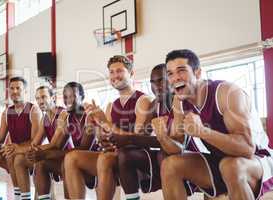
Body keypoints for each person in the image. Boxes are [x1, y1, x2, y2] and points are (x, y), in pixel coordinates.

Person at [156, 49, 273, 200]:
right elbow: (177, 148)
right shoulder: (179, 101)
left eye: (181, 71)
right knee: (170, 165)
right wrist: (162, 137)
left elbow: (247, 148)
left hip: (258, 160)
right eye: (170, 73)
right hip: (219, 159)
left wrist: (203, 132)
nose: (174, 78)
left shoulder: (227, 92)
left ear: (198, 73)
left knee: (230, 166)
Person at [64, 55, 153, 200]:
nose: (114, 75)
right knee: (71, 157)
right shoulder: (111, 105)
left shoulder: (143, 100)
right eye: (111, 72)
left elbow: (137, 139)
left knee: (105, 159)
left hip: (134, 158)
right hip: (113, 155)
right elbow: (104, 138)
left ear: (131, 74)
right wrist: (95, 124)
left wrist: (104, 122)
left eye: (119, 71)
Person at [26, 81, 95, 200]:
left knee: (68, 161)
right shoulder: (67, 118)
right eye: (65, 97)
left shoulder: (90, 115)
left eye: (72, 96)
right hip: (74, 159)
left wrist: (46, 153)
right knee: (40, 163)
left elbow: (84, 148)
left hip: (93, 160)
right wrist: (38, 153)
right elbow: (57, 145)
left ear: (82, 97)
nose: (68, 100)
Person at [0, 76, 42, 200]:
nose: (15, 91)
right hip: (14, 153)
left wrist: (16, 148)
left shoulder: (34, 110)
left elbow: (35, 142)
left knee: (12, 154)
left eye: (18, 88)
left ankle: (21, 197)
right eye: (12, 88)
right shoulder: (7, 113)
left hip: (33, 156)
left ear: (26, 92)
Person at [116, 63, 173, 200]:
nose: (156, 86)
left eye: (161, 80)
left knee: (163, 155)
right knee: (124, 155)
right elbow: (142, 135)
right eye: (153, 82)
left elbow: (174, 143)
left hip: (185, 154)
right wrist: (114, 141)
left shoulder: (181, 101)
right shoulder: (155, 105)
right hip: (165, 154)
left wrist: (129, 139)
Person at [13, 86, 64, 200]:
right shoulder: (45, 119)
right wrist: (16, 149)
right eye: (37, 98)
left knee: (39, 162)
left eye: (44, 97)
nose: (40, 101)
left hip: (64, 155)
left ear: (53, 97)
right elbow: (34, 144)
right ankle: (25, 197)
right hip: (51, 155)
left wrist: (20, 149)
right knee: (19, 159)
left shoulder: (62, 114)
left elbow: (55, 144)